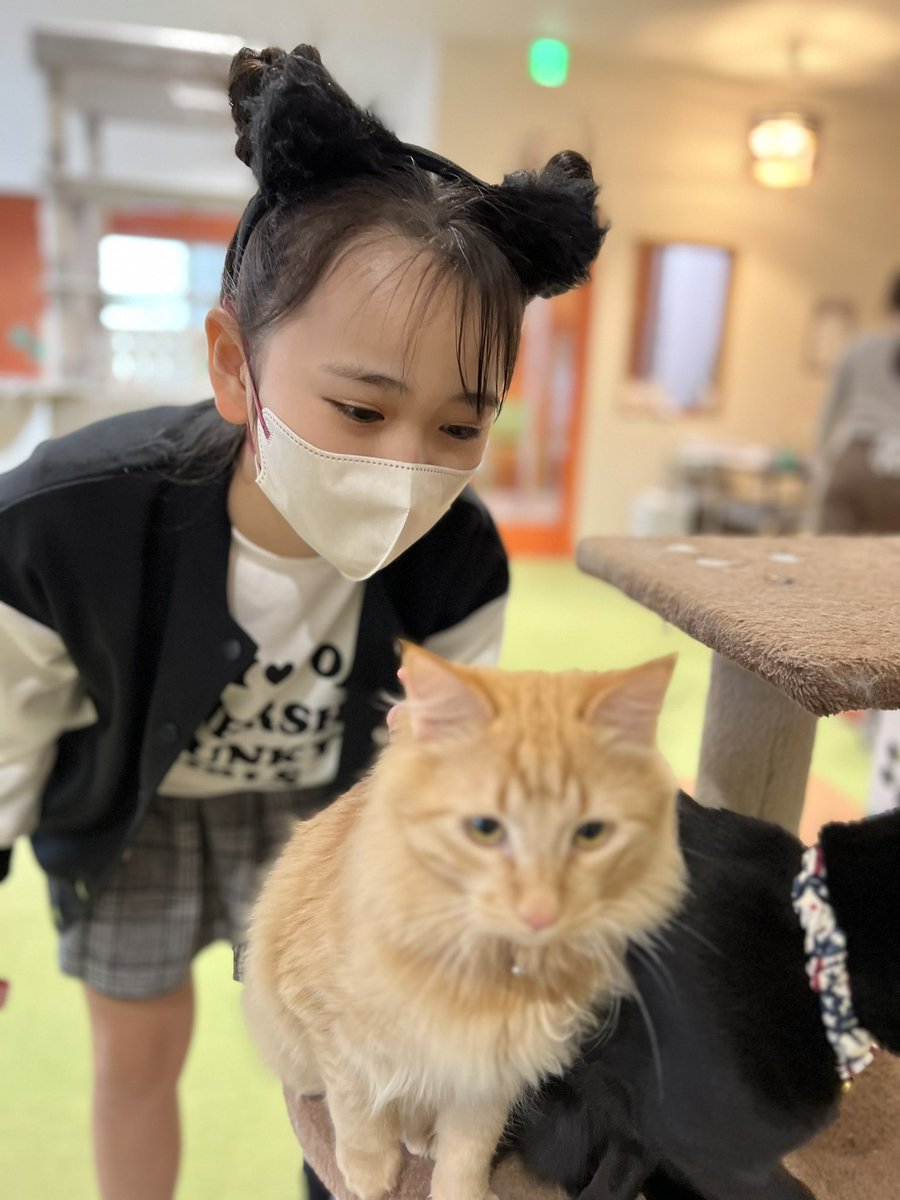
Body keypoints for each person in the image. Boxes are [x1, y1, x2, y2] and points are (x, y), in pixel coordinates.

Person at [0, 43, 605, 1200]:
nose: (407, 465)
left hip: (322, 810)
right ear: (236, 366)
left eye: (459, 427)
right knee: (138, 1056)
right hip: (132, 804)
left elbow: (437, 760)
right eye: (362, 409)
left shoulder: (459, 561)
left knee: (347, 1059)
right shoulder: (60, 526)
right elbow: (6, 733)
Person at [810, 271, 900, 533]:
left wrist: (821, 462)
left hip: (855, 459)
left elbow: (829, 413)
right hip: (894, 474)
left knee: (829, 549)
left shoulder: (859, 347)